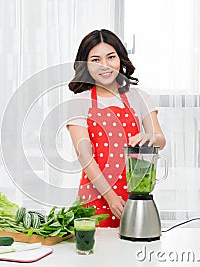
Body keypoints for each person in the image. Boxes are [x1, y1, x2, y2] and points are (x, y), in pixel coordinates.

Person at [66, 29, 166, 227]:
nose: (105, 66)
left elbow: (160, 140)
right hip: (94, 197)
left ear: (120, 59)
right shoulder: (79, 102)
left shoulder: (139, 97)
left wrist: (150, 137)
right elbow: (84, 155)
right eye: (95, 59)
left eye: (111, 57)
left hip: (133, 195)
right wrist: (110, 197)